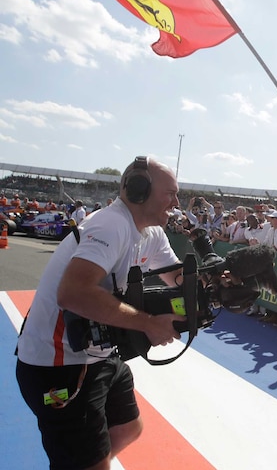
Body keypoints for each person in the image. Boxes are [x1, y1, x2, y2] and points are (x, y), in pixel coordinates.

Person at [16, 156, 187, 470]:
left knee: (128, 427)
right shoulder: (111, 224)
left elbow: (179, 280)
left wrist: (222, 283)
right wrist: (148, 324)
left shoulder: (152, 233)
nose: (177, 202)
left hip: (95, 354)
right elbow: (73, 293)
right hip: (57, 364)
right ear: (139, 190)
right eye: (171, 193)